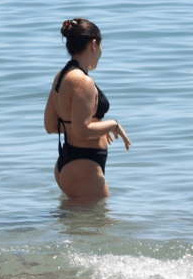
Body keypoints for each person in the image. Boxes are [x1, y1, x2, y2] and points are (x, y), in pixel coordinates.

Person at [43, 18, 131, 200]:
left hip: (67, 163)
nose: (101, 52)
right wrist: (112, 125)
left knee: (76, 226)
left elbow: (50, 126)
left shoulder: (61, 76)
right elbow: (82, 131)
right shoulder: (83, 81)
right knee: (99, 226)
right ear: (93, 44)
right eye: (101, 46)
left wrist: (95, 124)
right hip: (83, 167)